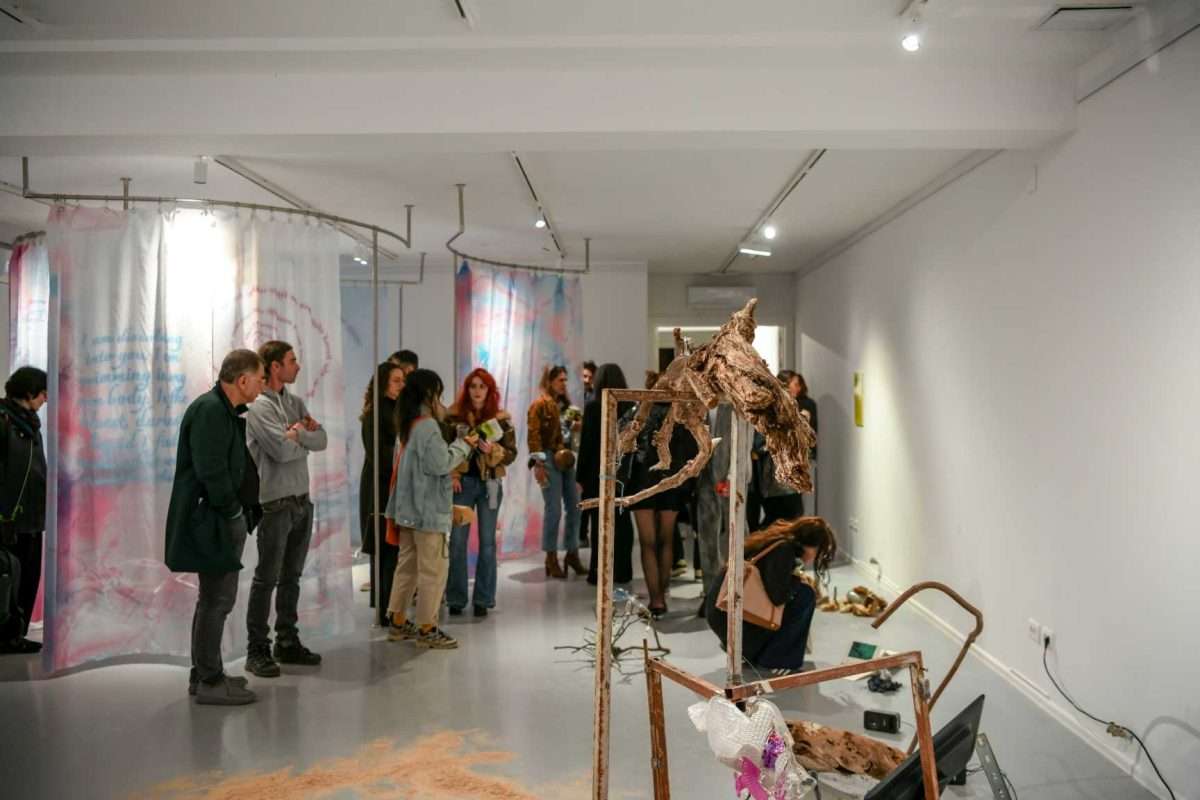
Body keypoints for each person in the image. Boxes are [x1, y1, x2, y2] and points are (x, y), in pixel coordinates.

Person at [165, 349, 265, 705]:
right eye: (260, 378)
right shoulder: (210, 410)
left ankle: (206, 673)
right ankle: (209, 680)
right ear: (242, 379)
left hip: (220, 518)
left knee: (212, 600)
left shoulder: (221, 411)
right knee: (217, 600)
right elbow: (211, 470)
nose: (262, 385)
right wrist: (234, 512)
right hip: (216, 520)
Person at [243, 341, 326, 678]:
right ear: (275, 366)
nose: (298, 366)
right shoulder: (259, 408)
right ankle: (257, 649)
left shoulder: (295, 403)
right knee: (266, 578)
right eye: (292, 360)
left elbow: (321, 440)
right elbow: (278, 451)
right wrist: (300, 439)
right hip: (275, 504)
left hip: (301, 501)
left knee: (291, 577)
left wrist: (297, 436)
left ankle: (287, 641)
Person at [385, 368, 475, 649]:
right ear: (429, 394)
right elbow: (440, 464)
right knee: (432, 571)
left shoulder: (407, 424)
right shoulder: (427, 426)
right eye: (438, 393)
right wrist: (463, 446)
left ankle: (398, 621)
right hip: (427, 512)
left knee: (407, 568)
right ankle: (427, 628)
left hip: (408, 510)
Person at [704, 516, 837, 672]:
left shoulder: (775, 541)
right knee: (805, 595)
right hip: (730, 619)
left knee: (801, 592)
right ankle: (777, 659)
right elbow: (778, 596)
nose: (815, 557)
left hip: (723, 614)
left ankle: (754, 651)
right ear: (812, 546)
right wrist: (796, 578)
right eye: (818, 552)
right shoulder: (783, 550)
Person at [445, 368, 517, 618]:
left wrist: (493, 450)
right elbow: (444, 451)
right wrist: (453, 475)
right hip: (462, 484)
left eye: (482, 386)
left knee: (487, 543)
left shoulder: (501, 420)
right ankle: (455, 598)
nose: (477, 391)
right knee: (457, 542)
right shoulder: (453, 417)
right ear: (467, 389)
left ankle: (483, 599)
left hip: (490, 485)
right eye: (473, 386)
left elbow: (511, 454)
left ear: (489, 390)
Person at [621, 394, 699, 619]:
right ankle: (660, 596)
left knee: (648, 543)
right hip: (671, 479)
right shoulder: (680, 412)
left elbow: (622, 441)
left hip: (642, 479)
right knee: (666, 539)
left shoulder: (638, 410)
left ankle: (656, 600)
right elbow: (692, 449)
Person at [0, 367, 48, 655]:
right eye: (42, 393)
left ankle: (16, 634)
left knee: (29, 578)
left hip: (32, 517)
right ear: (29, 392)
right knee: (10, 579)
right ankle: (6, 636)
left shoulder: (30, 424)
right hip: (8, 519)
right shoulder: (4, 420)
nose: (46, 399)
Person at [576, 363, 635, 586]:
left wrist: (580, 476)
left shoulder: (594, 407)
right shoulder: (630, 406)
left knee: (599, 524)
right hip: (623, 472)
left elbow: (587, 445)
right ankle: (623, 570)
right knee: (623, 521)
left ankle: (599, 571)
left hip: (597, 473)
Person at [694, 404, 752, 614]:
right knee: (707, 536)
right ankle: (711, 594)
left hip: (732, 477)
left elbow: (744, 443)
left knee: (737, 533)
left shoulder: (737, 404)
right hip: (705, 478)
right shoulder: (701, 403)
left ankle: (742, 590)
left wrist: (732, 476)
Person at [527, 365, 583, 579]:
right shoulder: (539, 405)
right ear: (550, 381)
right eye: (560, 379)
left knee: (575, 506)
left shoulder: (567, 406)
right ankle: (550, 557)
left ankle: (572, 552)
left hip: (566, 457)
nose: (563, 383)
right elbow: (533, 435)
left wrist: (576, 428)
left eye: (565, 380)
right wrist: (538, 464)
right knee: (554, 509)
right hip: (548, 457)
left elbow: (570, 435)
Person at [360, 361, 405, 626]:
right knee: (384, 548)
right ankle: (385, 608)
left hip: (392, 483)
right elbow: (378, 455)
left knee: (393, 550)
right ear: (383, 383)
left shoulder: (396, 410)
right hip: (379, 486)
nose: (401, 385)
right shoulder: (375, 414)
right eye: (396, 380)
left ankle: (391, 607)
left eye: (403, 380)